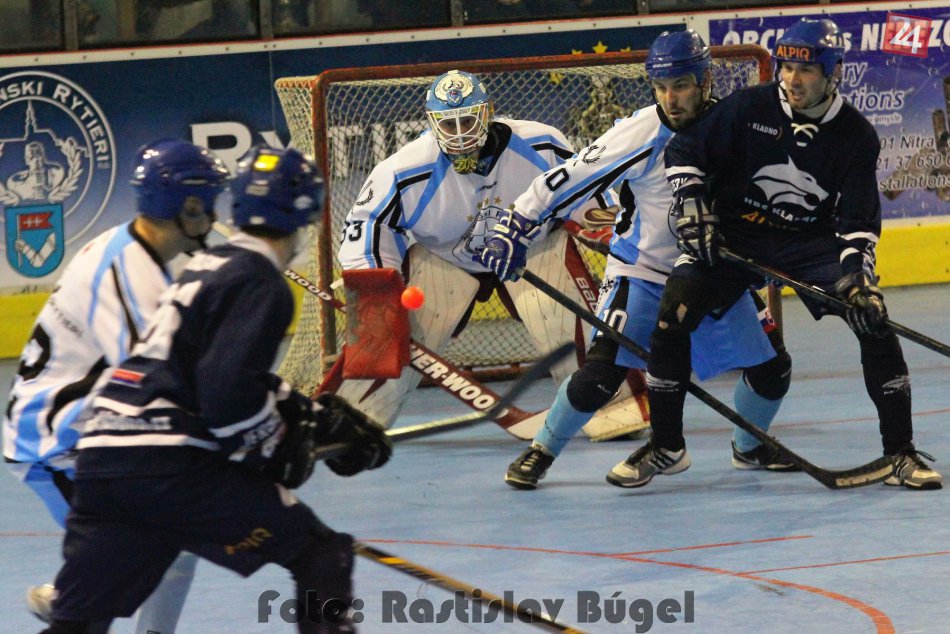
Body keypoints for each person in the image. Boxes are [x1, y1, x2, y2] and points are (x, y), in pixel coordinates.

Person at [37, 145, 392, 634]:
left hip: (104, 462)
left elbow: (205, 371)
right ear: (306, 215)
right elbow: (226, 399)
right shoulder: (259, 281)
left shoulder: (206, 266)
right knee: (319, 553)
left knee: (77, 625)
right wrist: (279, 445)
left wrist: (306, 415)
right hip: (168, 469)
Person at [612, 16, 941, 490]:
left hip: (808, 244)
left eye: (805, 70)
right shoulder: (750, 107)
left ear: (834, 72)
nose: (792, 79)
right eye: (786, 67)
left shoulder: (856, 135)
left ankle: (900, 453)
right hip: (734, 236)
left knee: (875, 324)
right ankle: (667, 446)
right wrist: (691, 200)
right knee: (672, 318)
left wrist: (857, 279)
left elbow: (857, 223)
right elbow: (685, 151)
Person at [476, 30, 795, 490]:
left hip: (709, 273)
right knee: (600, 374)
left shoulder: (734, 126)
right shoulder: (643, 131)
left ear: (705, 81)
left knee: (772, 370)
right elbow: (570, 175)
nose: (670, 99)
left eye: (680, 85)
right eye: (660, 87)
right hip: (643, 272)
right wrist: (517, 221)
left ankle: (749, 447)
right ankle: (542, 449)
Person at [335, 68, 649, 441]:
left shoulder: (541, 143)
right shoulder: (402, 169)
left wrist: (616, 234)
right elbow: (368, 224)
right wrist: (375, 289)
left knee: (566, 325)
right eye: (448, 124)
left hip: (531, 248)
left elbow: (586, 193)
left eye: (468, 120)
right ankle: (352, 420)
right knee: (388, 335)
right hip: (445, 258)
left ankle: (612, 408)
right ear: (432, 124)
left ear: (488, 112)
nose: (460, 134)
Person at [3, 139, 229, 631]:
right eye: (208, 202)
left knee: (162, 544)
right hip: (56, 444)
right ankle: (73, 599)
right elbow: (152, 387)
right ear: (189, 206)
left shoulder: (126, 246)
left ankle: (71, 595)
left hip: (73, 428)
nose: (214, 214)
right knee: (146, 551)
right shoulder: (133, 276)